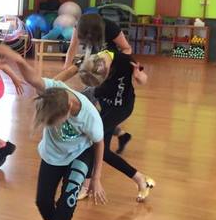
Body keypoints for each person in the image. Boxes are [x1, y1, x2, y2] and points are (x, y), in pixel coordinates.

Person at [0, 44, 105, 220]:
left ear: (68, 109)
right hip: (52, 155)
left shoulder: (89, 116)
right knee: (43, 203)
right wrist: (18, 60)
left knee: (66, 204)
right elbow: (32, 78)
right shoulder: (53, 91)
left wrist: (95, 178)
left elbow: (99, 143)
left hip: (80, 154)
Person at [57, 50, 155, 202]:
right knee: (104, 152)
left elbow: (143, 79)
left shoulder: (124, 60)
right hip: (106, 107)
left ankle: (86, 186)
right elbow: (71, 70)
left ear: (106, 68)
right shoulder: (92, 58)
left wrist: (138, 76)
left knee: (91, 141)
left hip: (122, 108)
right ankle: (140, 179)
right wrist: (47, 84)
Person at [64, 13, 133, 154]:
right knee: (91, 107)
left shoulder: (110, 27)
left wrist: (112, 62)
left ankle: (87, 145)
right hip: (92, 66)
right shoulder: (79, 26)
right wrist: (66, 68)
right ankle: (120, 134)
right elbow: (72, 47)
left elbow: (127, 49)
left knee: (86, 105)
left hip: (107, 68)